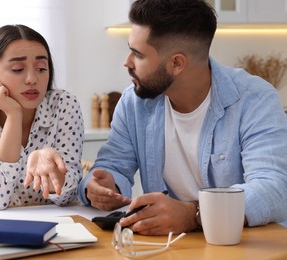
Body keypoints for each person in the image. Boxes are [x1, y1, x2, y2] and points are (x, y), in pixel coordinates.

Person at [78, 0, 287, 235]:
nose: (127, 62)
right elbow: (113, 164)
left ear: (177, 63)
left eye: (137, 54)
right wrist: (103, 185)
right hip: (168, 246)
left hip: (243, 246)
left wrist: (194, 215)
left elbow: (274, 188)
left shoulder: (254, 99)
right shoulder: (134, 102)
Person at [0, 24, 84, 210]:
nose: (32, 78)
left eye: (41, 68)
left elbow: (69, 194)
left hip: (59, 228)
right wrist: (14, 116)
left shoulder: (63, 105)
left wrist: (54, 170)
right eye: (17, 69)